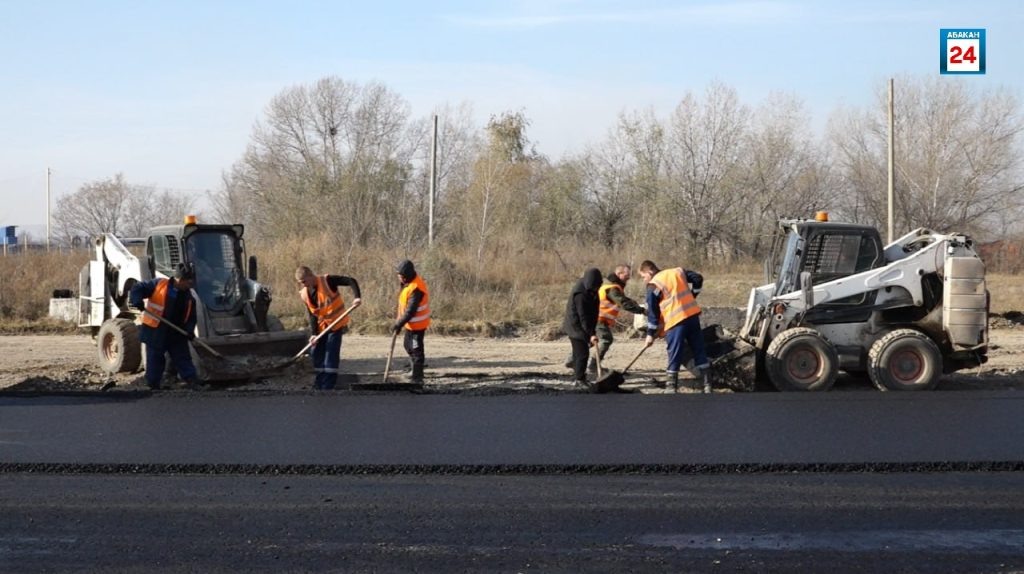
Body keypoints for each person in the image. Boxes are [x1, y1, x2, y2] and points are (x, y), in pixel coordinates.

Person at [639, 260, 712, 393]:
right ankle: (707, 385)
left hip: (675, 321)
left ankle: (671, 387)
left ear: (650, 272)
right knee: (699, 350)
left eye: (643, 276)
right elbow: (698, 278)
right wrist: (693, 294)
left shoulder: (653, 285)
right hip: (692, 317)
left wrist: (650, 334)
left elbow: (653, 313)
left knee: (675, 353)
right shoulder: (677, 272)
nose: (644, 280)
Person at [129, 262, 200, 390]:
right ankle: (153, 385)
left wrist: (189, 330)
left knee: (183, 357)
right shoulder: (159, 285)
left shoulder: (189, 297)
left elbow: (191, 317)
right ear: (180, 279)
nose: (191, 284)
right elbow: (137, 288)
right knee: (155, 359)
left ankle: (192, 381)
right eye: (188, 282)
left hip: (176, 332)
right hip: (156, 330)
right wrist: (137, 300)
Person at [297, 266, 362, 390]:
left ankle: (328, 386)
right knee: (317, 354)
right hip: (321, 327)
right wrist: (314, 333)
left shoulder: (328, 281)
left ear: (311, 276)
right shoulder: (305, 294)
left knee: (330, 354)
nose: (303, 285)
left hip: (336, 325)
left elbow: (351, 281)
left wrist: (357, 297)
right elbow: (312, 314)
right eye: (301, 283)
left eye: (304, 281)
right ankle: (319, 383)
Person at [595, 264, 647, 368]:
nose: (628, 277)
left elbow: (623, 299)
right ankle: (593, 366)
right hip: (599, 319)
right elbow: (623, 303)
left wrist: (633, 302)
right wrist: (641, 311)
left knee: (591, 341)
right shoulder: (612, 288)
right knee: (606, 340)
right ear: (619, 273)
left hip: (598, 319)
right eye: (627, 275)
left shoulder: (612, 286)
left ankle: (574, 360)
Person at [562, 267, 602, 389]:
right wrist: (590, 334)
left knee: (578, 353)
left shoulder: (591, 289)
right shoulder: (580, 294)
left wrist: (592, 331)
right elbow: (583, 316)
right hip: (575, 326)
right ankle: (579, 379)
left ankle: (578, 375)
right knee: (582, 353)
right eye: (594, 287)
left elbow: (592, 312)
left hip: (583, 325)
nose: (595, 289)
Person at [391, 260, 430, 386]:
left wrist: (398, 324)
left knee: (416, 349)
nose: (399, 278)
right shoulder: (407, 283)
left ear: (407, 275)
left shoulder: (416, 288)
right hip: (410, 324)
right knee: (408, 346)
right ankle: (414, 368)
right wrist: (400, 322)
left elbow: (410, 312)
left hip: (417, 325)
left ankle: (418, 378)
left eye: (400, 276)